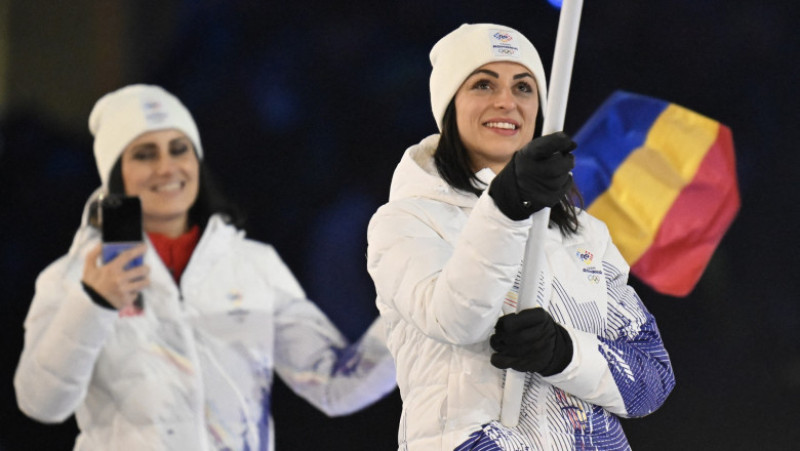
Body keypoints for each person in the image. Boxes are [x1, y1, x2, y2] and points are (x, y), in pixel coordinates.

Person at [14, 84, 396, 450]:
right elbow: (41, 403)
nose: (167, 167)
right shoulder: (75, 276)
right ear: (115, 173)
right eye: (144, 154)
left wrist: (420, 313)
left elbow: (334, 383)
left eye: (179, 149)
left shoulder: (252, 266)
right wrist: (92, 304)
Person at [366, 23, 675, 450]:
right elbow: (456, 318)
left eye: (524, 87)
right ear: (450, 106)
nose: (506, 102)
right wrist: (507, 205)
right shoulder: (406, 221)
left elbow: (651, 379)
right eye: (482, 84)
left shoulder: (586, 234)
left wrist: (563, 354)